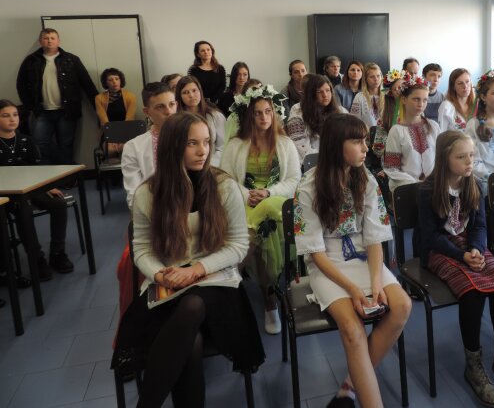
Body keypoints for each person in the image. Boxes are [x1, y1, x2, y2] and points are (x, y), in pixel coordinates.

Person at [111, 112, 264, 407]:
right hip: (168, 284)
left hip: (218, 285)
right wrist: (160, 275)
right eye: (192, 143)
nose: (202, 150)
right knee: (190, 341)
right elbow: (142, 249)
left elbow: (237, 245)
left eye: (206, 142)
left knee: (193, 305)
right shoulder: (148, 193)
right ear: (172, 146)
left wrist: (196, 270)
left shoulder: (224, 186)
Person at [293, 113, 411, 408]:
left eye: (365, 141)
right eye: (357, 142)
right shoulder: (308, 186)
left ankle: (348, 387)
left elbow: (374, 238)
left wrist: (375, 282)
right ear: (336, 145)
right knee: (352, 330)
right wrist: (354, 289)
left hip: (362, 256)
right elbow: (315, 253)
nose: (365, 148)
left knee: (402, 306)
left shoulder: (365, 178)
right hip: (328, 264)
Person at [418, 131, 494, 405]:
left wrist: (477, 249)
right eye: (461, 157)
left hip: (469, 245)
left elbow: (479, 226)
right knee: (472, 292)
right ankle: (473, 365)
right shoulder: (428, 190)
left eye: (471, 155)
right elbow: (430, 236)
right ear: (444, 159)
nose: (469, 162)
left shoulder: (474, 184)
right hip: (440, 249)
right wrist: (461, 255)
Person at [220, 84, 300, 335]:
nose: (264, 117)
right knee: (267, 230)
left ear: (274, 113)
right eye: (258, 113)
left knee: (267, 213)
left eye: (268, 111)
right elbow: (225, 179)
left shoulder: (285, 143)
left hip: (277, 201)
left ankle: (234, 270)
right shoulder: (236, 144)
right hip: (243, 202)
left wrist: (268, 193)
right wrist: (248, 194)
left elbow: (294, 180)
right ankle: (270, 300)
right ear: (249, 116)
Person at [0, 99, 73, 280]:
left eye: (15, 115)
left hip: (31, 189)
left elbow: (38, 169)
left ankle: (57, 253)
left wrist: (47, 186)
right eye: (5, 116)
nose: (12, 119)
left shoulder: (26, 140)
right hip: (7, 196)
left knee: (58, 203)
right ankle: (36, 258)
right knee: (23, 210)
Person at [16, 28, 98, 164]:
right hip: (41, 112)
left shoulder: (72, 60)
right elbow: (21, 85)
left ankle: (67, 175)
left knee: (66, 145)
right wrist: (29, 106)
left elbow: (87, 84)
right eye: (46, 38)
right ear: (40, 41)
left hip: (67, 112)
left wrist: (99, 107)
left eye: (52, 38)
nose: (49, 41)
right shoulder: (30, 61)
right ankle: (48, 175)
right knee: (40, 145)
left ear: (58, 41)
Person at [121, 82, 178, 210]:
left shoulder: (190, 138)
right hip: (154, 210)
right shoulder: (133, 147)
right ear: (147, 112)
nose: (169, 112)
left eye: (172, 104)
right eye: (160, 107)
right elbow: (134, 194)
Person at [383, 74, 438, 192]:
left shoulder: (433, 126)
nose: (421, 104)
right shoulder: (397, 130)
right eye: (416, 99)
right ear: (404, 99)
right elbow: (392, 169)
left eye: (425, 100)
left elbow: (441, 159)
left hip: (433, 187)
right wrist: (416, 184)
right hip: (408, 188)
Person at [286, 74, 347, 163]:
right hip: (315, 165)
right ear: (311, 94)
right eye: (319, 92)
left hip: (342, 160)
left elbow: (352, 137)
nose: (325, 95)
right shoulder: (297, 116)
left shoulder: (341, 111)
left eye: (328, 90)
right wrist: (332, 158)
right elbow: (304, 152)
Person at [176, 76, 226, 166]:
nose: (191, 95)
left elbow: (223, 146)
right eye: (185, 92)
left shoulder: (216, 116)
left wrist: (209, 164)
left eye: (194, 90)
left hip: (212, 165)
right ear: (180, 96)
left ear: (200, 91)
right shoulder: (176, 120)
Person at [95, 67, 137, 156]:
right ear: (106, 83)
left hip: (127, 132)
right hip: (108, 133)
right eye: (110, 80)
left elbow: (129, 120)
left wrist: (122, 138)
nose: (114, 82)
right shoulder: (99, 98)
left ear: (121, 80)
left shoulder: (131, 96)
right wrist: (113, 138)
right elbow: (104, 122)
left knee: (127, 148)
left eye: (117, 79)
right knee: (110, 150)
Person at [371, 69, 405, 159]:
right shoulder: (385, 114)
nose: (400, 91)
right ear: (391, 93)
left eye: (403, 87)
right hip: (392, 158)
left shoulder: (415, 111)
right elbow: (378, 150)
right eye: (396, 89)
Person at [187, 41, 226, 105]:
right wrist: (203, 101)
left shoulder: (220, 68)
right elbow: (192, 88)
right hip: (199, 102)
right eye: (203, 50)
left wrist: (213, 100)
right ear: (198, 54)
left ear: (212, 51)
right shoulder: (193, 70)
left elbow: (222, 87)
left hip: (217, 103)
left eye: (208, 49)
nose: (206, 52)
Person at [437, 68, 476, 132]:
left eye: (467, 81)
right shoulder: (446, 107)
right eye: (460, 83)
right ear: (453, 87)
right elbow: (441, 134)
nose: (465, 86)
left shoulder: (477, 105)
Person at [350, 63, 384, 128]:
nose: (376, 79)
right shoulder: (359, 97)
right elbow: (354, 121)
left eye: (378, 76)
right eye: (372, 77)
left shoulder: (387, 95)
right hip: (366, 133)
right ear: (365, 79)